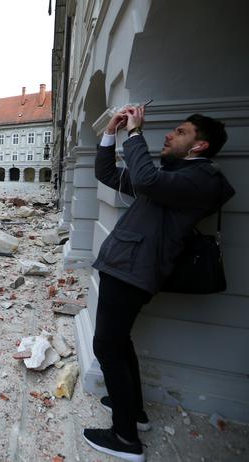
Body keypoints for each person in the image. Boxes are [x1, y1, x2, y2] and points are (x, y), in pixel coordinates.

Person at [82, 106, 235, 462]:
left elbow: (147, 181)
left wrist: (136, 134)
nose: (169, 135)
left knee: (107, 347)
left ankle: (124, 438)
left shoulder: (201, 179)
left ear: (200, 146)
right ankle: (134, 411)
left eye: (180, 132)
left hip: (133, 270)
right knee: (119, 342)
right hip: (125, 266)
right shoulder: (173, 176)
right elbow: (106, 173)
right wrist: (110, 132)